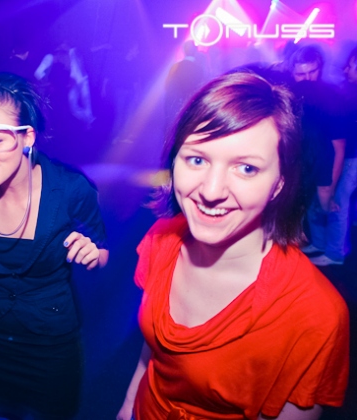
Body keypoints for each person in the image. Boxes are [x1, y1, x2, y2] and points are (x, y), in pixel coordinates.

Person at [117, 71, 349, 420]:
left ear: (279, 184)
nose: (211, 191)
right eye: (197, 159)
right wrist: (128, 406)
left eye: (246, 168)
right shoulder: (161, 240)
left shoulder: (314, 315)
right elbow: (155, 351)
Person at [0, 72, 109, 419]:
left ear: (27, 137)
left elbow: (102, 250)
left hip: (50, 341)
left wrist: (92, 255)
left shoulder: (70, 189)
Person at [288, 46, 347, 265]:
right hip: (309, 157)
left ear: (319, 69)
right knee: (312, 205)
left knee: (333, 205)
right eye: (300, 74)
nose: (306, 78)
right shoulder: (291, 95)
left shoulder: (331, 98)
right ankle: (319, 243)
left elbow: (338, 147)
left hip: (337, 157)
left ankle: (335, 254)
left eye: (311, 72)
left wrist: (330, 187)